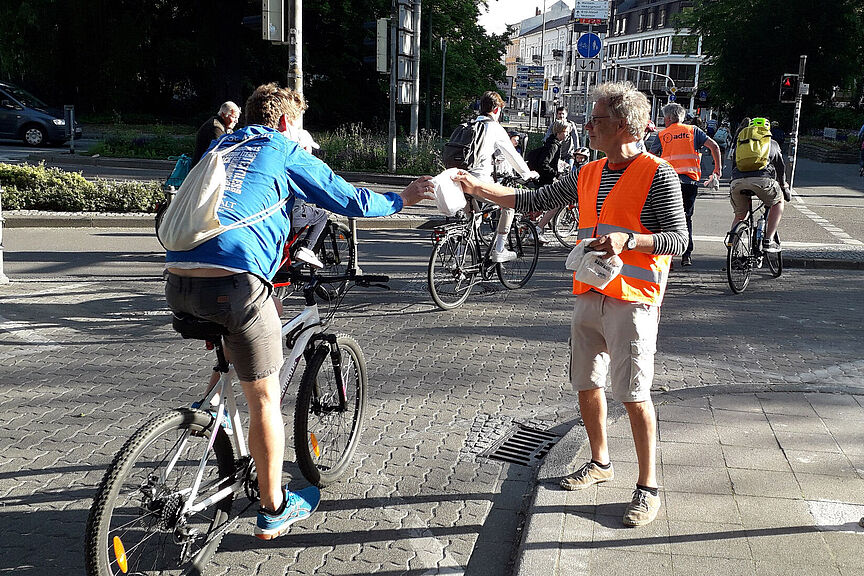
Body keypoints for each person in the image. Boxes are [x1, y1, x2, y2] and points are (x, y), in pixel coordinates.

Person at [164, 83, 433, 540]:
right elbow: (350, 200)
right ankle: (273, 509)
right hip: (236, 282)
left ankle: (212, 410)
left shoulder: (221, 144)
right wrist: (404, 198)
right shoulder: (282, 147)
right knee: (264, 400)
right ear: (288, 122)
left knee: (242, 331)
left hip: (178, 278)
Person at [454, 81, 687, 527]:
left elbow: (680, 239)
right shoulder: (589, 172)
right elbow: (531, 199)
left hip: (632, 301)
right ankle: (600, 463)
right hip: (589, 292)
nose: (587, 127)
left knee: (634, 395)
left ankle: (648, 488)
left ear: (622, 126)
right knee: (586, 383)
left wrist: (629, 239)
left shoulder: (658, 173)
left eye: (595, 120)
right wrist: (476, 187)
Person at [467, 91, 539, 262]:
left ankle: (460, 253)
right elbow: (512, 155)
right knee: (509, 204)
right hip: (478, 182)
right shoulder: (494, 128)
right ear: (497, 109)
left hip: (458, 179)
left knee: (473, 220)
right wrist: (527, 174)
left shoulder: (469, 125)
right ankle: (499, 249)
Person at [651, 103, 722, 266]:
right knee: (686, 217)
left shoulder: (663, 135)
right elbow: (714, 146)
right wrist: (717, 170)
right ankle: (686, 255)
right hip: (689, 182)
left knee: (666, 219)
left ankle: (669, 258)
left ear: (668, 118)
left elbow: (650, 156)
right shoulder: (693, 131)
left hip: (667, 183)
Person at [729, 118, 790, 252]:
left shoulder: (741, 143)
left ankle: (732, 247)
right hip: (763, 181)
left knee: (740, 216)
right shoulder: (771, 143)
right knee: (778, 202)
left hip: (737, 182)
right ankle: (768, 240)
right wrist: (783, 186)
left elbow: (734, 165)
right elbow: (780, 168)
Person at [191, 101, 241, 166]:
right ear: (223, 115)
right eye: (234, 117)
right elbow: (222, 151)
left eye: (237, 118)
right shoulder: (216, 128)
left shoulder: (224, 126)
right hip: (202, 168)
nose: (236, 121)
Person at [531, 120, 571, 186]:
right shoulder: (553, 146)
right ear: (559, 132)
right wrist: (556, 174)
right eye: (566, 132)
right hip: (545, 182)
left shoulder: (554, 144)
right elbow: (543, 164)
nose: (567, 134)